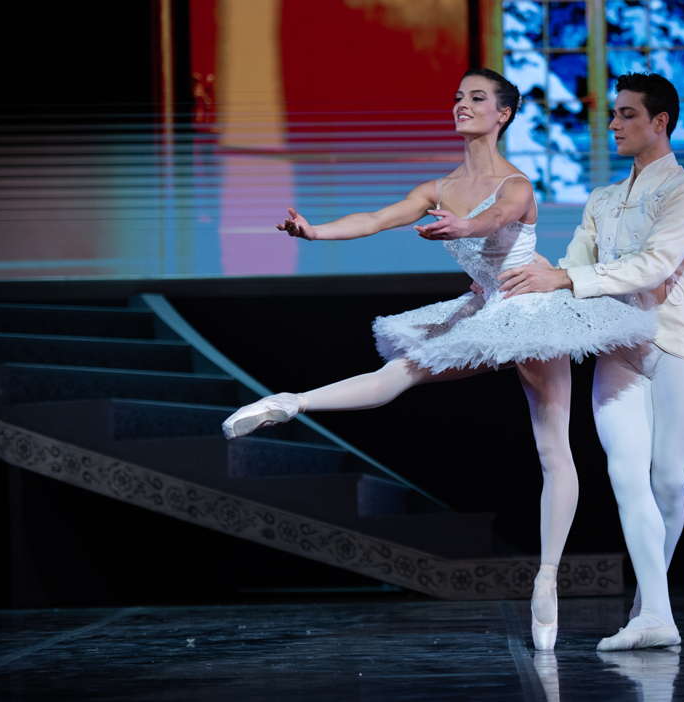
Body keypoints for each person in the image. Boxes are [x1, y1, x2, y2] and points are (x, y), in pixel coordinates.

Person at [220, 69, 656, 651]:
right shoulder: (437, 186)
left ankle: (546, 579)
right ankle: (288, 402)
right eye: (457, 97)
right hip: (482, 309)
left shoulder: (517, 183)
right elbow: (375, 220)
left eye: (476, 98)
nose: (461, 105)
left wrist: (465, 225)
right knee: (396, 376)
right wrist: (315, 232)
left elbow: (496, 217)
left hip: (529, 310)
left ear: (502, 114)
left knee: (554, 447)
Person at [498, 73, 684, 651]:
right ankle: (655, 618)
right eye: (613, 115)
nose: (613, 125)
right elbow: (570, 267)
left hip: (675, 348)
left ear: (659, 122)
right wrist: (523, 271)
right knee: (624, 476)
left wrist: (568, 276)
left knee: (668, 484)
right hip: (618, 350)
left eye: (625, 114)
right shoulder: (602, 200)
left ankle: (652, 607)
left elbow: (654, 266)